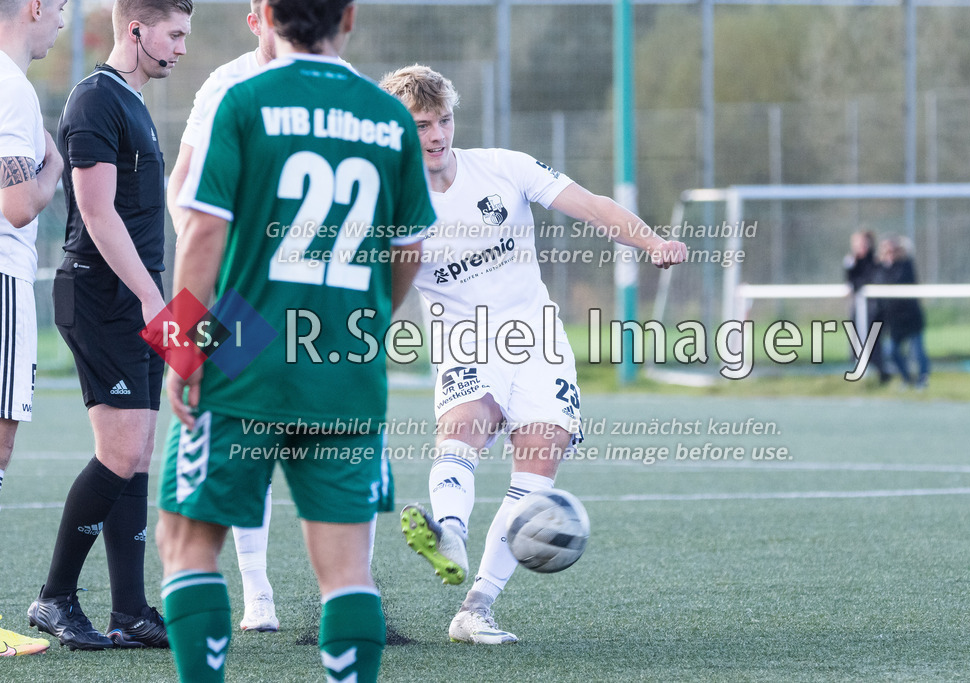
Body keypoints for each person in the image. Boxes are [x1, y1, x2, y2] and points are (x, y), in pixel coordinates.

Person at [155, 0, 434, 679]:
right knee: (346, 570)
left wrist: (179, 348)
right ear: (349, 17)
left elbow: (199, 234)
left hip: (244, 350)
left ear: (269, 15)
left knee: (187, 542)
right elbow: (412, 249)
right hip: (343, 360)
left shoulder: (243, 99)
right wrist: (364, 322)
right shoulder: (390, 116)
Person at [379, 64, 687, 644]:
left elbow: (593, 206)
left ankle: (476, 607)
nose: (437, 135)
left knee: (539, 466)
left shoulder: (504, 167)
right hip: (463, 339)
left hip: (536, 339)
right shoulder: (390, 202)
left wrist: (651, 240)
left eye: (443, 120)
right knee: (466, 425)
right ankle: (448, 531)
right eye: (422, 125)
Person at [26, 0, 193, 651]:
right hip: (102, 298)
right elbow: (96, 213)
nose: (180, 48)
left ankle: (130, 609)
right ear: (136, 29)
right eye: (173, 34)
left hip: (141, 301)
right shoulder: (96, 99)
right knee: (120, 451)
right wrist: (156, 301)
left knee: (139, 452)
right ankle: (55, 596)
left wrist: (165, 301)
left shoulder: (136, 104)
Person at [165, 0, 280, 634]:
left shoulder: (339, 81)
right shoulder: (227, 83)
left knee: (342, 444)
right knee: (237, 439)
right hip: (235, 292)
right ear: (255, 20)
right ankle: (256, 590)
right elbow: (182, 186)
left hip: (313, 299)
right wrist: (207, 280)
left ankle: (350, 591)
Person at [0, 0, 66, 657]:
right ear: (35, 7)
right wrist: (55, 166)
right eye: (64, 8)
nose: (65, 24)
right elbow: (19, 204)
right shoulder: (11, 87)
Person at [874, 236, 929, 389]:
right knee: (891, 350)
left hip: (911, 318)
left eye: (893, 250)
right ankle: (906, 377)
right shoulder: (880, 269)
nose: (890, 253)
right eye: (887, 250)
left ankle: (923, 379)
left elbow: (899, 280)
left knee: (918, 352)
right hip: (894, 320)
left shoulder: (905, 265)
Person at [843, 229, 889, 383]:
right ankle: (860, 373)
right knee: (855, 340)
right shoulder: (852, 261)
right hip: (859, 307)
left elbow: (872, 280)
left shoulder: (876, 260)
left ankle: (882, 373)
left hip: (875, 309)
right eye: (857, 243)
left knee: (873, 342)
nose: (860, 246)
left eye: (863, 242)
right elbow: (851, 282)